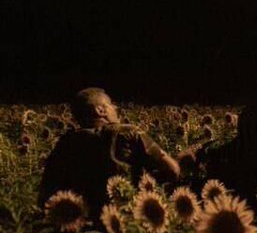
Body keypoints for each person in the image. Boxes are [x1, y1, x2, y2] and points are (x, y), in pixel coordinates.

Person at [38, 87, 181, 217]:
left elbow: (47, 192)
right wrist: (146, 187)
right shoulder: (127, 132)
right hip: (125, 218)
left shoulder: (65, 143)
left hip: (81, 224)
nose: (115, 107)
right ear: (100, 110)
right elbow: (172, 170)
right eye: (111, 104)